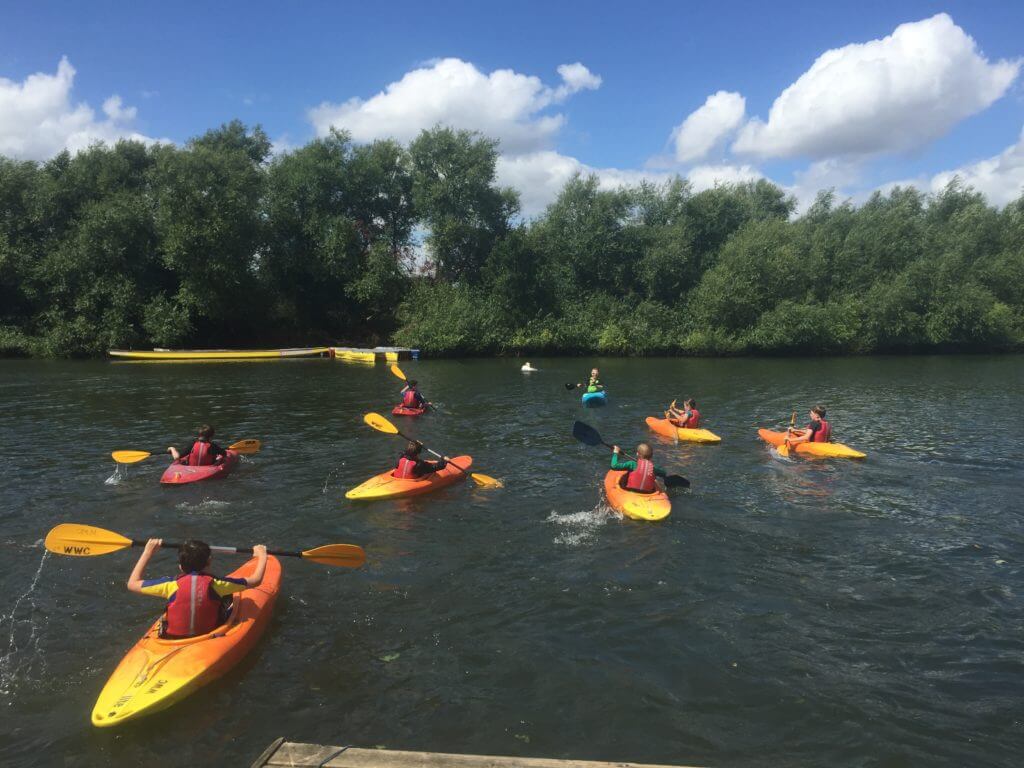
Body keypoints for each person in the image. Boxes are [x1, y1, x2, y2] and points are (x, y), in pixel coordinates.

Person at [127, 538, 268, 639]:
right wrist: (262, 556)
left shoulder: (169, 585)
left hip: (171, 638)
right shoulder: (217, 584)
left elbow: (132, 584)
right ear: (209, 562)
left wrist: (148, 552)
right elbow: (256, 580)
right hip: (208, 634)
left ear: (180, 566)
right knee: (229, 596)